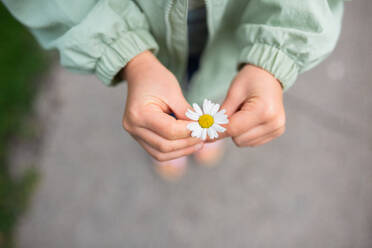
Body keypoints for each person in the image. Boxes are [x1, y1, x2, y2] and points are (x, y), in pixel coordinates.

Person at [2, 0, 348, 180]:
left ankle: (199, 136)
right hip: (143, 24)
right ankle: (179, 140)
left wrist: (275, 57)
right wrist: (129, 56)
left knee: (218, 84)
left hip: (234, 23)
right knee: (165, 95)